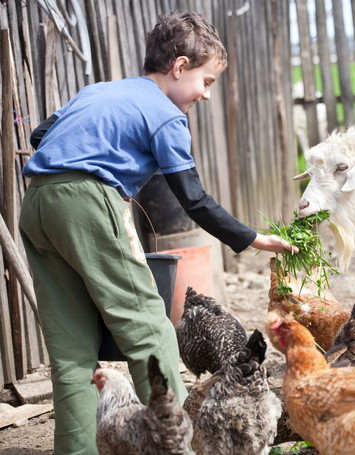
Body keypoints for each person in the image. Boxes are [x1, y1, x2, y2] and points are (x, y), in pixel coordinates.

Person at [18, 11, 297, 455]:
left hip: (36, 203)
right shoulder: (166, 115)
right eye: (206, 82)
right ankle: (182, 446)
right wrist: (253, 239)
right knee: (149, 327)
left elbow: (40, 134)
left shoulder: (98, 90)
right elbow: (194, 199)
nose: (206, 96)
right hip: (87, 203)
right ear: (180, 66)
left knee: (71, 350)